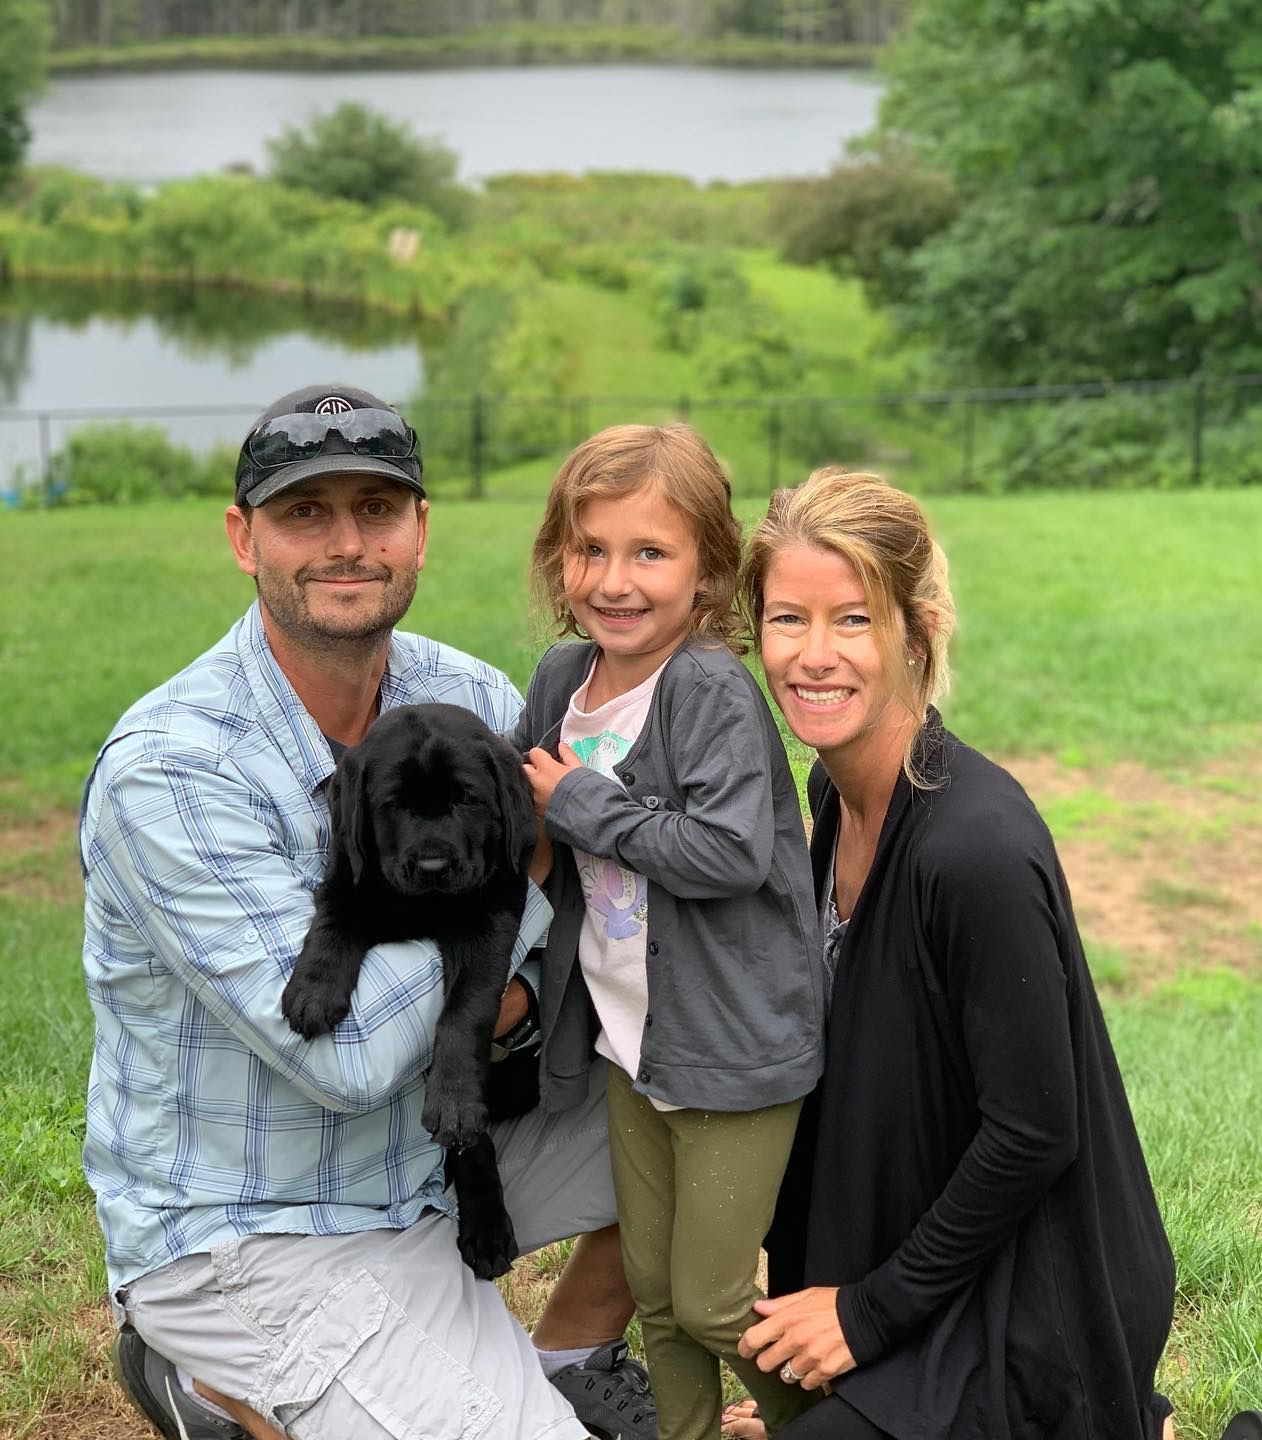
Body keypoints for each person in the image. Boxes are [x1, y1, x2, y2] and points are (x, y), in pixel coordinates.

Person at [80, 384, 657, 1440]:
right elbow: (341, 1061)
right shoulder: (171, 771)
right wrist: (515, 907)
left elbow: (579, 876)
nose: (347, 543)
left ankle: (567, 1357)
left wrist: (526, 986)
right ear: (241, 539)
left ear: (421, 532)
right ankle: (203, 1376)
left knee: (737, 1096)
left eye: (377, 509)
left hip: (437, 1157)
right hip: (258, 1231)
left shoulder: (471, 697)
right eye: (305, 513)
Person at [720, 467, 1182, 1440]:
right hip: (906, 1265)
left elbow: (1034, 1132)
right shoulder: (830, 798)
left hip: (1031, 1306)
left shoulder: (973, 848)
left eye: (852, 620)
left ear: (916, 632)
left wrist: (864, 1317)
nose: (813, 655)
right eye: (787, 619)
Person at [514, 423, 826, 1440]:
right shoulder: (564, 681)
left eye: (650, 553)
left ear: (707, 576)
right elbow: (530, 815)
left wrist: (582, 807)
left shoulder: (708, 690)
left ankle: (844, 1426)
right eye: (590, 549)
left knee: (715, 1301)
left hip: (735, 1049)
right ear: (560, 558)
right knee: (652, 1291)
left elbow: (731, 854)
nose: (615, 579)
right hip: (630, 1039)